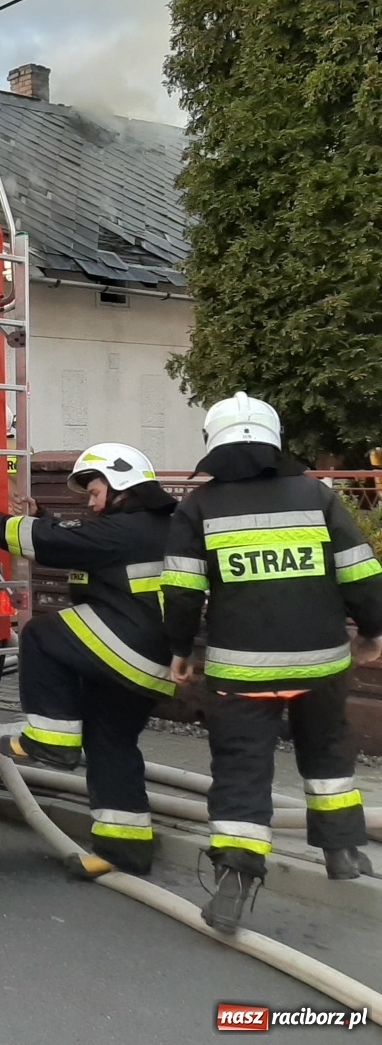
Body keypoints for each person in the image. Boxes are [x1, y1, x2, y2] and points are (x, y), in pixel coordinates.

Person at [162, 393, 382, 933]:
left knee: (242, 770)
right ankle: (343, 851)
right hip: (321, 666)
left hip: (242, 674)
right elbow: (359, 571)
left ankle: (233, 886)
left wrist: (180, 649)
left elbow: (183, 592)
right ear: (275, 437)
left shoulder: (197, 508)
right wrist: (373, 631)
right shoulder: (317, 495)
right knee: (328, 751)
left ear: (212, 441)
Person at [0, 443, 178, 876]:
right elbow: (79, 539)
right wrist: (43, 516)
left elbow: (54, 543)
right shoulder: (153, 527)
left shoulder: (125, 529)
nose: (92, 503)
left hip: (131, 648)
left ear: (120, 486)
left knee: (41, 635)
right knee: (110, 742)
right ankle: (125, 850)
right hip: (151, 657)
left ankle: (52, 740)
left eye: (95, 492)